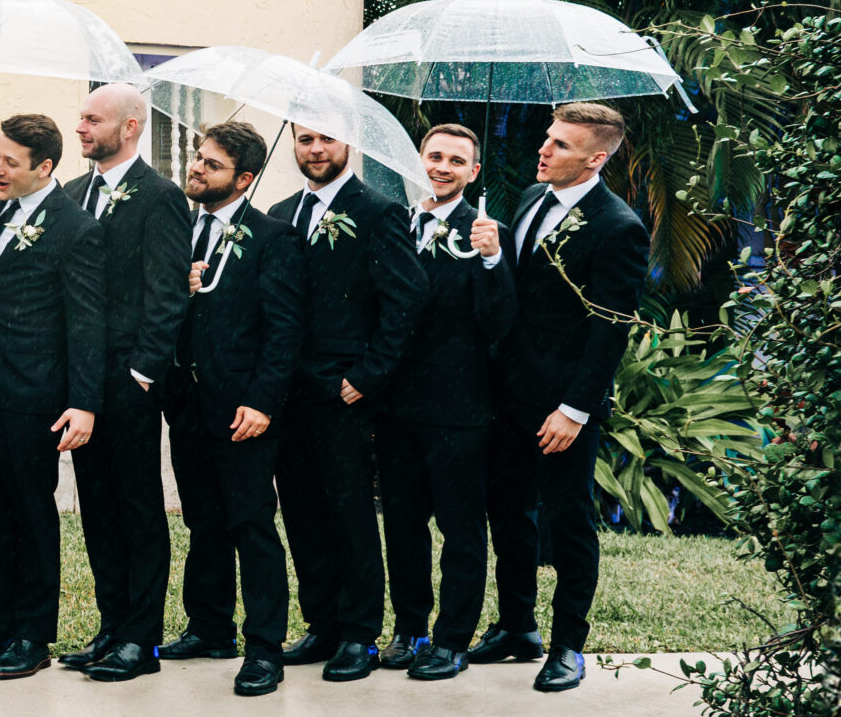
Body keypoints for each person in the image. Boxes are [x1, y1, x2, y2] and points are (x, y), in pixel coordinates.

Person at [467, 103, 649, 694]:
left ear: (596, 158)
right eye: (548, 139)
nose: (544, 150)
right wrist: (494, 256)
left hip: (563, 408)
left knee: (570, 525)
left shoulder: (617, 226)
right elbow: (517, 299)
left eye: (561, 146)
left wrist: (574, 410)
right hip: (509, 397)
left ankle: (569, 645)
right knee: (509, 515)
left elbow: (610, 328)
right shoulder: (528, 199)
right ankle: (517, 627)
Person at [268, 124, 428, 681]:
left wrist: (369, 375)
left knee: (351, 514)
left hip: (344, 390)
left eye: (327, 140)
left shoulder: (379, 210)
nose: (315, 150)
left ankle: (359, 634)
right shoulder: (281, 211)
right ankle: (322, 623)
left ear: (348, 146)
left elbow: (407, 298)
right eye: (306, 139)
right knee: (303, 513)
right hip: (287, 392)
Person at [0, 113, 104, 681]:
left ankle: (32, 635)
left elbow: (86, 323)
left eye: (10, 162)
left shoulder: (75, 228)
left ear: (44, 167)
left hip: (34, 397)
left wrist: (84, 402)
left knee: (30, 516)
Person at [161, 121, 303, 698]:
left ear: (244, 179)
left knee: (250, 523)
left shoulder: (272, 237)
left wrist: (263, 401)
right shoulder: (181, 232)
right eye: (198, 158)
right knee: (202, 521)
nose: (196, 167)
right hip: (187, 405)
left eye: (212, 164)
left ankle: (264, 647)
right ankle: (209, 626)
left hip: (243, 408)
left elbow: (284, 329)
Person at [59, 84, 195, 682]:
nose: (82, 128)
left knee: (138, 507)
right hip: (79, 379)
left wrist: (143, 372)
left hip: (130, 380)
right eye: (82, 118)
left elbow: (166, 294)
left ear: (131, 127)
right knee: (97, 508)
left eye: (94, 119)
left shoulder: (160, 197)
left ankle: (142, 639)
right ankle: (112, 625)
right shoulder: (70, 195)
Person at [377, 124, 516, 681]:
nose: (442, 166)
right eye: (434, 156)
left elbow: (502, 323)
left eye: (456, 160)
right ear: (418, 160)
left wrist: (490, 260)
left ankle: (452, 638)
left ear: (472, 172)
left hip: (460, 409)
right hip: (394, 406)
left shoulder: (487, 233)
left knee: (460, 530)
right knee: (403, 526)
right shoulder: (393, 223)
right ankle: (409, 628)